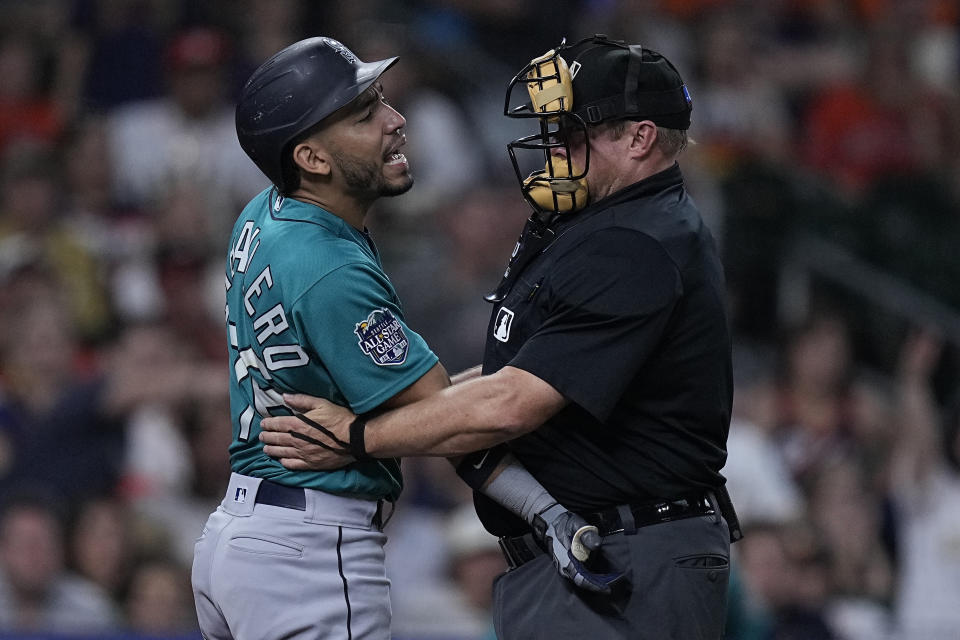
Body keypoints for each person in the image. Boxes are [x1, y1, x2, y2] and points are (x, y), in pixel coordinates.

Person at [261, 34, 740, 639]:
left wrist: (361, 435)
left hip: (632, 558)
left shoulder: (638, 243)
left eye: (571, 133)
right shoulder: (601, 224)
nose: (552, 148)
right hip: (595, 551)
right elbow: (508, 380)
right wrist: (403, 403)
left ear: (639, 138)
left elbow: (512, 403)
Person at [192, 36, 612, 640]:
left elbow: (433, 406)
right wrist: (543, 509)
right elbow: (450, 421)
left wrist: (370, 431)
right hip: (308, 551)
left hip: (244, 536)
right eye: (365, 115)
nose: (396, 122)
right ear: (312, 158)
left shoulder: (262, 212)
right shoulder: (329, 267)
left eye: (382, 101)